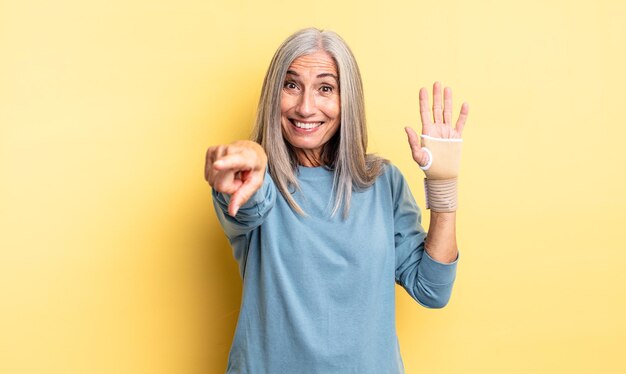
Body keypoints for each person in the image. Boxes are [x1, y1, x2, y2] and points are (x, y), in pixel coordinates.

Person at [205, 28, 469, 374]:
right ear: (274, 95)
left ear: (348, 101)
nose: (305, 106)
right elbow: (248, 201)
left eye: (325, 88)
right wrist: (252, 154)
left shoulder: (383, 183)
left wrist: (443, 184)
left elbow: (431, 290)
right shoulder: (256, 181)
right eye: (291, 85)